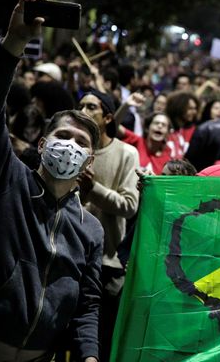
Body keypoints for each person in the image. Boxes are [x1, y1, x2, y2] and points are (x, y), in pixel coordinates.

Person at [0, 0, 101, 362]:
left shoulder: (90, 229)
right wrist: (15, 42)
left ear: (88, 161)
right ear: (44, 143)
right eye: (63, 136)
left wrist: (90, 355)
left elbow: (87, 306)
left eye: (80, 142)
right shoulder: (7, 180)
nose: (70, 145)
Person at [77, 89, 140, 361]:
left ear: (108, 117)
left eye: (91, 107)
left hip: (107, 265)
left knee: (98, 343)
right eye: (80, 106)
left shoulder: (126, 153)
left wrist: (93, 189)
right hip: (73, 257)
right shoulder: (74, 149)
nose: (83, 112)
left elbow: (129, 205)